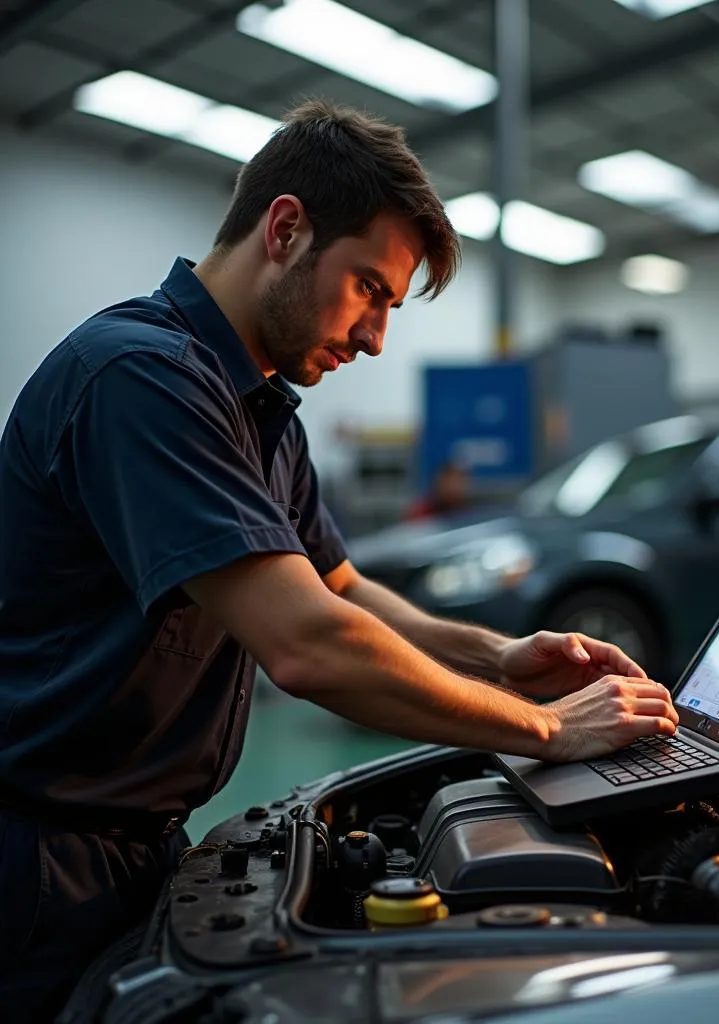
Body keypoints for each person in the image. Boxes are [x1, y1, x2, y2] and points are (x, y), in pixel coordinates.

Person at [0, 100, 678, 1022]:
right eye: (369, 289)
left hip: (135, 842)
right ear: (285, 230)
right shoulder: (140, 378)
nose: (374, 338)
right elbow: (310, 644)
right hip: (38, 862)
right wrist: (549, 730)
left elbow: (338, 587)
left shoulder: (260, 410)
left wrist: (498, 655)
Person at [405, 461, 470, 520]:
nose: (453, 488)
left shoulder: (470, 512)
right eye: (448, 482)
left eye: (457, 482)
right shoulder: (422, 512)